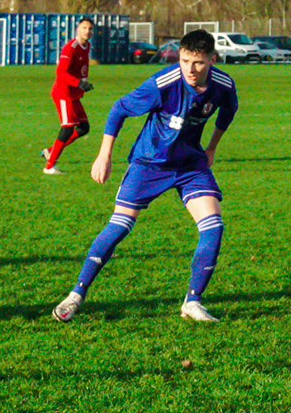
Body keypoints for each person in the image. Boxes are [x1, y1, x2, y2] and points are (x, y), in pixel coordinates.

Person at [51, 30, 239, 325]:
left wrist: (211, 148)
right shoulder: (163, 83)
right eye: (185, 60)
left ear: (212, 60)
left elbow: (228, 112)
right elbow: (119, 109)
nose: (190, 69)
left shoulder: (223, 84)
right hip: (149, 162)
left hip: (190, 164)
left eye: (199, 62)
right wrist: (105, 155)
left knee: (214, 227)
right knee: (119, 227)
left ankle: (192, 302)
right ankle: (75, 295)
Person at [41, 18, 95, 175]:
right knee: (67, 127)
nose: (87, 31)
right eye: (84, 28)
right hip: (63, 92)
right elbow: (60, 73)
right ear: (77, 29)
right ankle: (49, 166)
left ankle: (51, 151)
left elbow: (81, 69)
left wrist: (83, 84)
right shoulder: (70, 48)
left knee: (84, 128)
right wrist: (78, 82)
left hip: (74, 93)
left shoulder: (87, 46)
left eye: (90, 28)